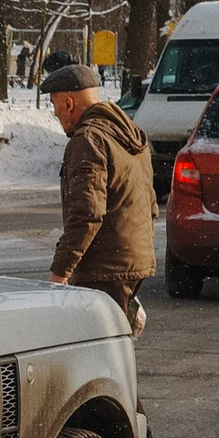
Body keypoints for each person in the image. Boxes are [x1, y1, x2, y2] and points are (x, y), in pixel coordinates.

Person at [41, 62, 156, 332]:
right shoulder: (128, 134)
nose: (55, 113)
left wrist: (61, 271)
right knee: (113, 344)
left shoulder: (88, 140)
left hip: (105, 268)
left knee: (97, 353)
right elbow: (149, 203)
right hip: (133, 260)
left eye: (55, 105)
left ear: (69, 103)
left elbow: (87, 214)